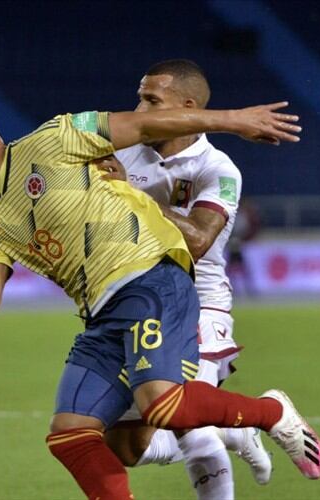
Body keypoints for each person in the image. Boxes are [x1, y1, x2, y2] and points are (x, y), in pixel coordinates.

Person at [0, 99, 320, 499]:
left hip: (151, 275)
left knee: (162, 405)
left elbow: (147, 125)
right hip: (102, 315)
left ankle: (273, 413)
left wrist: (234, 121)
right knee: (71, 433)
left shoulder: (55, 137)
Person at [98, 59, 268, 499]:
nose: (139, 108)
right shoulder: (119, 153)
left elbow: (197, 241)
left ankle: (230, 426)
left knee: (185, 417)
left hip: (198, 304)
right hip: (133, 306)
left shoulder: (219, 168)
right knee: (125, 448)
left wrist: (131, 195)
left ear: (188, 107)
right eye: (139, 96)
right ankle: (233, 432)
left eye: (151, 100)